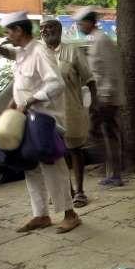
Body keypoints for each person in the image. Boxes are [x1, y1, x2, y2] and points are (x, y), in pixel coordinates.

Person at [0, 12, 81, 233]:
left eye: (8, 32)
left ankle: (70, 214)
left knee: (53, 167)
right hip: (25, 120)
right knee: (30, 167)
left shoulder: (40, 52)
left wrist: (30, 100)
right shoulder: (22, 53)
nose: (7, 36)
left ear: (19, 30)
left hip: (45, 121)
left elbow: (56, 84)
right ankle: (41, 215)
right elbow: (12, 67)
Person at [40, 18, 97, 208]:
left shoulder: (72, 51)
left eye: (48, 27)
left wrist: (95, 102)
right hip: (48, 112)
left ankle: (79, 191)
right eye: (42, 29)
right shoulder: (40, 54)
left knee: (74, 150)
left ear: (58, 29)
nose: (45, 31)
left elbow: (90, 79)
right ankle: (66, 190)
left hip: (70, 108)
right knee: (57, 153)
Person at [73, 6, 124, 187]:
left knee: (103, 134)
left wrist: (105, 98)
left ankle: (114, 172)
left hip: (106, 98)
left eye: (81, 23)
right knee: (104, 134)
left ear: (89, 23)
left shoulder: (102, 40)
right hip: (102, 97)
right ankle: (111, 171)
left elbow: (110, 71)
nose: (79, 26)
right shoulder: (95, 40)